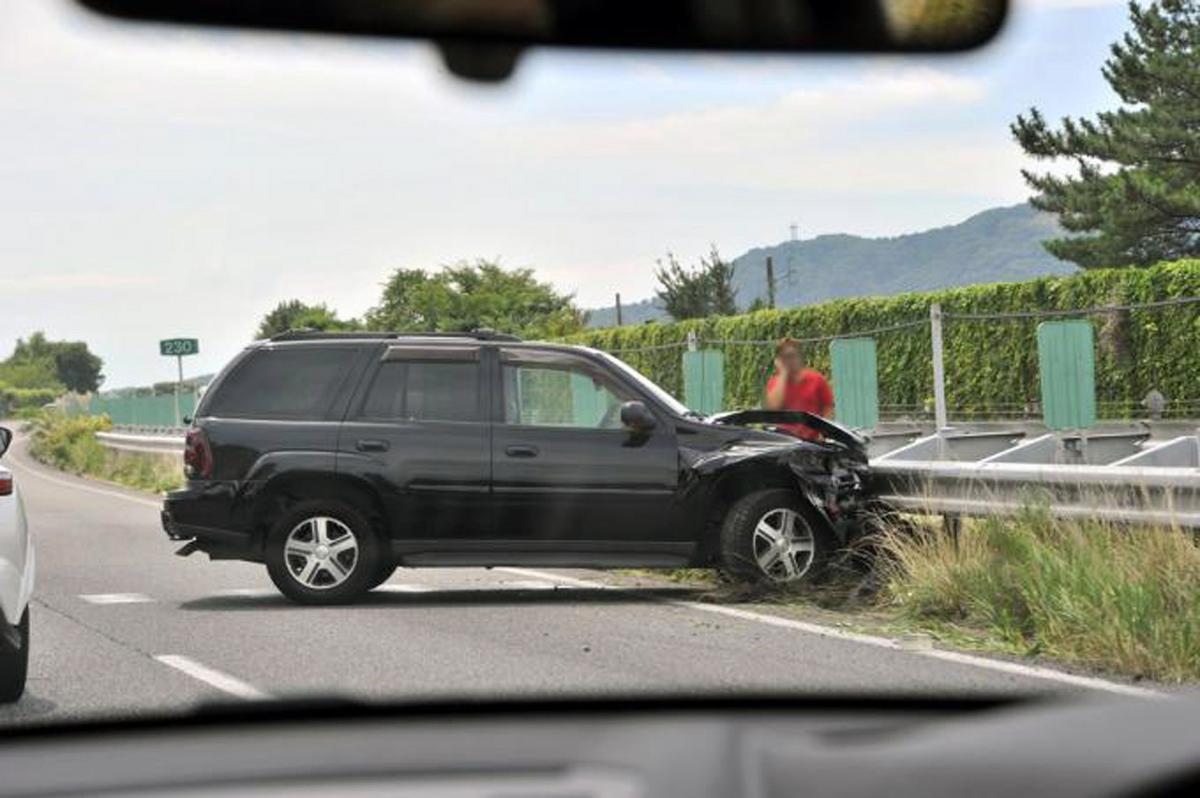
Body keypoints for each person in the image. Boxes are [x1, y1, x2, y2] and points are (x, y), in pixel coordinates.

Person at [764, 337, 834, 440]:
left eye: (793, 356)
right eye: (786, 357)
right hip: (785, 441)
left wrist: (823, 432)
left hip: (812, 442)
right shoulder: (775, 383)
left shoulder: (817, 379)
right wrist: (783, 374)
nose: (791, 361)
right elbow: (773, 409)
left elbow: (827, 407)